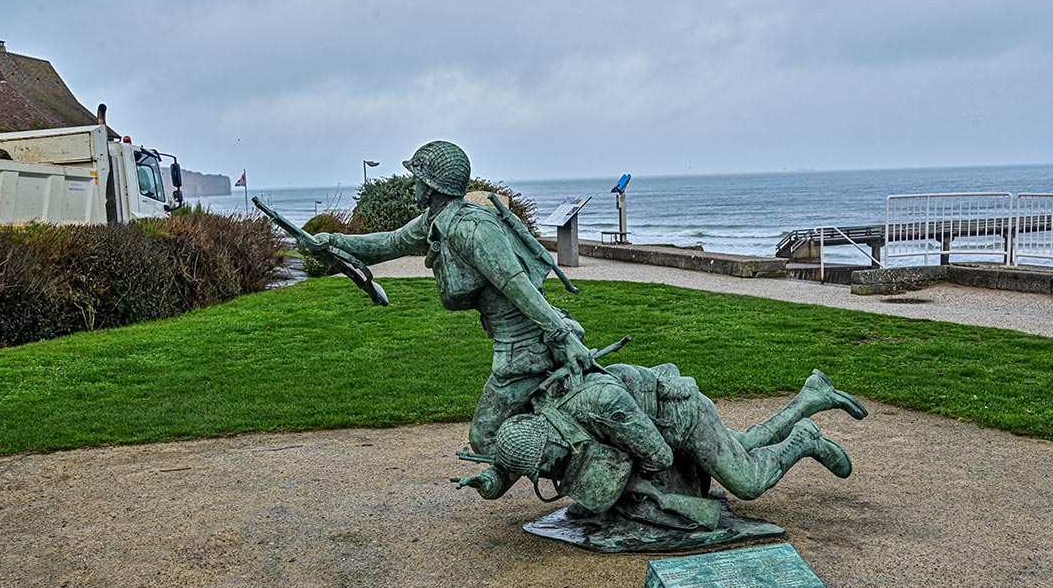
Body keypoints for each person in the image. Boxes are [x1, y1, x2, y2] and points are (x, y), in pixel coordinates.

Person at [307, 141, 591, 484]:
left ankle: (589, 472)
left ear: (431, 185)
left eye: (416, 179)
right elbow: (389, 243)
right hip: (517, 342)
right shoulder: (437, 221)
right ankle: (576, 458)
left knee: (485, 439)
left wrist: (562, 335)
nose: (412, 185)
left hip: (524, 346)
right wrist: (332, 241)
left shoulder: (470, 228)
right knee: (518, 423)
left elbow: (517, 285)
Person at [455, 366, 867, 528]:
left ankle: (804, 439)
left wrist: (616, 481)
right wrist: (491, 479)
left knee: (746, 480)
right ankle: (810, 397)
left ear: (551, 439)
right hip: (654, 430)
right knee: (738, 447)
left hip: (681, 421)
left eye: (548, 463)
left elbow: (658, 458)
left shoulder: (603, 405)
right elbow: (521, 456)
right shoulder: (541, 422)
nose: (549, 470)